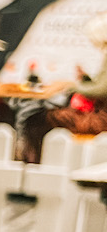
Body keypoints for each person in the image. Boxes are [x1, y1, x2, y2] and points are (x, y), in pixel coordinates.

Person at [20, 13, 107, 162]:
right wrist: (84, 79)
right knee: (39, 118)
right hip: (99, 114)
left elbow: (101, 90)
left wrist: (71, 85)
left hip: (101, 120)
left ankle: (35, 163)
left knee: (36, 120)